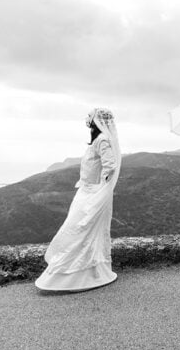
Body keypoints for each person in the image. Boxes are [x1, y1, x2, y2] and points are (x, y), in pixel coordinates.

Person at [35, 108, 121, 291]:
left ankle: (82, 274)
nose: (89, 124)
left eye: (91, 121)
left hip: (92, 194)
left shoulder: (102, 141)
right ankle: (79, 273)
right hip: (86, 192)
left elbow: (110, 166)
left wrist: (100, 190)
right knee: (77, 228)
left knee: (80, 229)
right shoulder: (97, 141)